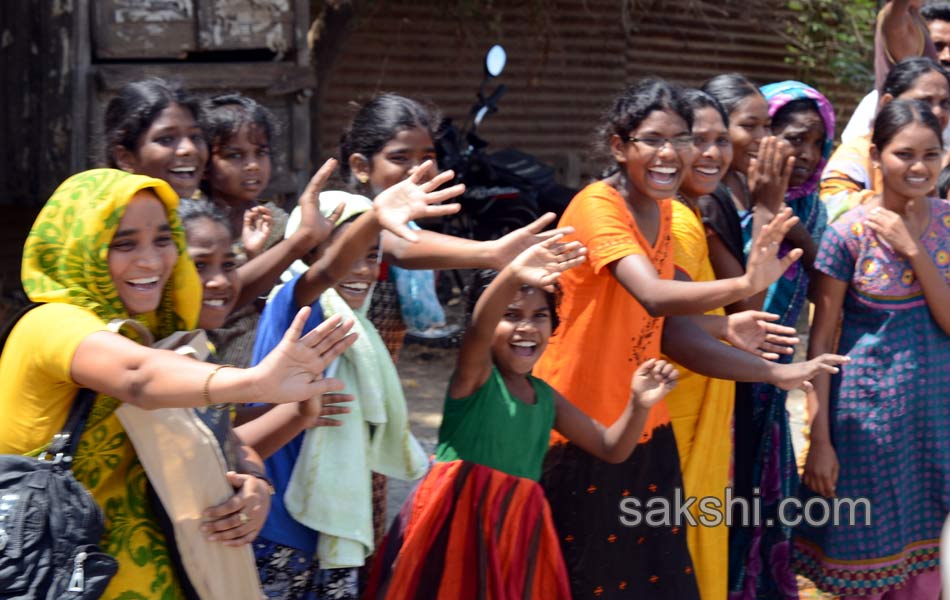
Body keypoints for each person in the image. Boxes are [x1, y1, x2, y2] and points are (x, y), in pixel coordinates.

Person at [533, 78, 848, 599]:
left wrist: (778, 371)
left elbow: (673, 331)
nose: (671, 154)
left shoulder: (661, 212)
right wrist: (747, 284)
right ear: (618, 145)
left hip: (643, 426)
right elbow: (653, 295)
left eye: (680, 139)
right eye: (653, 140)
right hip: (580, 428)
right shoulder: (599, 206)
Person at [0, 168, 354, 596]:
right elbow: (138, 377)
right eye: (124, 243)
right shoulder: (52, 324)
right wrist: (257, 382)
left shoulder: (159, 334)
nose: (151, 259)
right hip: (61, 581)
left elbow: (224, 441)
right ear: (81, 248)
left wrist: (256, 487)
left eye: (163, 240)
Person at [367, 233, 684, 599]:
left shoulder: (547, 398)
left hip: (516, 531)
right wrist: (514, 271)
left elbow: (611, 447)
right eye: (512, 315)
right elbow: (479, 330)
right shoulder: (476, 378)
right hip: (457, 525)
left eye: (540, 316)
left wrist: (639, 404)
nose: (527, 328)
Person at [238, 163, 465, 599]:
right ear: (305, 256)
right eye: (349, 255)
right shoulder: (295, 306)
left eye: (372, 256)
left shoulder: (362, 335)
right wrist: (376, 218)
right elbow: (322, 274)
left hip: (329, 537)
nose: (361, 270)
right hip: (278, 527)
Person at [795, 99, 950, 599]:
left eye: (933, 153)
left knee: (931, 564)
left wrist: (911, 247)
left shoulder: (948, 224)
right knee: (866, 564)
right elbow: (819, 343)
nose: (920, 167)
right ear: (877, 155)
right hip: (866, 427)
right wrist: (819, 441)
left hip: (935, 425)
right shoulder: (847, 235)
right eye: (905, 154)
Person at [668, 89, 798, 600]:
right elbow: (746, 305)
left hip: (718, 386)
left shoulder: (710, 200)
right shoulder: (683, 214)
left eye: (721, 139)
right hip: (685, 392)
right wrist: (768, 207)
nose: (714, 152)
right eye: (697, 139)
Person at [726, 80, 835, 600]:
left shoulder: (812, 209)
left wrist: (792, 223)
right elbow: (744, 293)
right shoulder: (723, 200)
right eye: (793, 138)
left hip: (773, 390)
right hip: (720, 378)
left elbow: (829, 283)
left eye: (818, 143)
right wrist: (767, 209)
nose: (807, 155)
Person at [700, 74, 796, 313]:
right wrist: (766, 210)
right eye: (748, 126)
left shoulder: (747, 183)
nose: (763, 138)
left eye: (766, 126)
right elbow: (744, 307)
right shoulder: (706, 200)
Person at [822, 57, 950, 222]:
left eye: (945, 103)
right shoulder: (857, 153)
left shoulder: (946, 157)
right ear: (887, 103)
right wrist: (904, 204)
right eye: (924, 101)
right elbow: (832, 206)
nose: (938, 112)